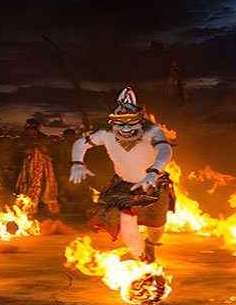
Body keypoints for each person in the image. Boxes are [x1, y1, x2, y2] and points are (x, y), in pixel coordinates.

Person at [69, 87, 174, 262]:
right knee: (126, 224)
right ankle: (139, 255)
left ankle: (150, 244)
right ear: (114, 122)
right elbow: (81, 143)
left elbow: (165, 150)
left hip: (153, 185)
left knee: (156, 227)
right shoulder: (106, 133)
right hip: (123, 185)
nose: (125, 127)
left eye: (130, 122)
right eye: (121, 122)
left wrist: (154, 172)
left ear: (139, 121)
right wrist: (77, 163)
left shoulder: (152, 130)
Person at [15, 119, 59, 215]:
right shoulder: (23, 138)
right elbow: (18, 150)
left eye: (31, 128)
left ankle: (50, 210)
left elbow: (51, 150)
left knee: (46, 186)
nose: (29, 130)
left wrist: (41, 151)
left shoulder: (44, 138)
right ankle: (29, 209)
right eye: (28, 127)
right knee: (27, 186)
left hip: (44, 167)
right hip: (27, 166)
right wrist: (26, 152)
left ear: (36, 129)